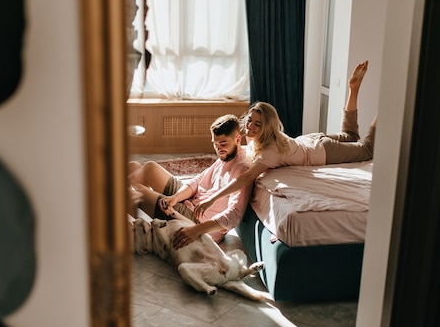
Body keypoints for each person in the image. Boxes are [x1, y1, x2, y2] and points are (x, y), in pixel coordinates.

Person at [195, 60, 376, 217]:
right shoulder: (258, 139)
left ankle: (385, 106)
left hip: (322, 151)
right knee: (351, 137)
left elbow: (246, 178)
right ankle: (353, 89)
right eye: (250, 120)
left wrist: (212, 199)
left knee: (368, 150)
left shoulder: (270, 151)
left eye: (258, 124)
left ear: (266, 127)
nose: (250, 126)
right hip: (311, 141)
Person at [129, 114, 253, 248]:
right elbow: (197, 181)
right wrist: (175, 198)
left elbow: (234, 215)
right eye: (215, 144)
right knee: (149, 168)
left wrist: (196, 230)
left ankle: (130, 231)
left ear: (238, 139)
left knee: (137, 193)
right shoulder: (226, 155)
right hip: (192, 200)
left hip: (197, 222)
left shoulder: (242, 169)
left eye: (223, 143)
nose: (218, 149)